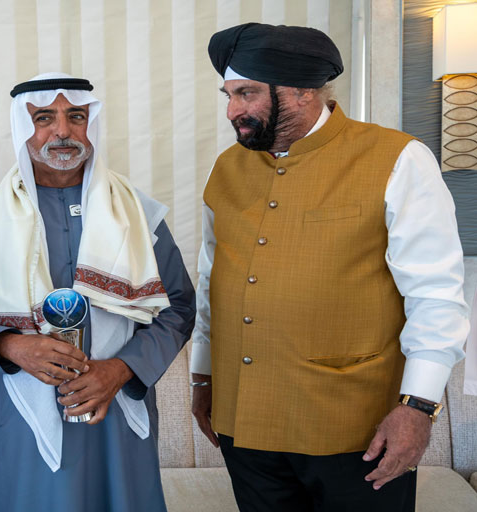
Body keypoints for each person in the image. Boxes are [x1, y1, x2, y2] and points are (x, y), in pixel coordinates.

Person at [191, 23, 470, 512]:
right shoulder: (227, 168)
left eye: (247, 93)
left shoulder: (398, 158)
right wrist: (202, 378)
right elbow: (211, 279)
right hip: (244, 422)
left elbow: (435, 295)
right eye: (229, 95)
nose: (233, 111)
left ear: (303, 90)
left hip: (357, 428)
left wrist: (418, 407)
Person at [0, 72, 196, 511]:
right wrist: (11, 346)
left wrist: (122, 369)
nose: (61, 131)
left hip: (114, 415)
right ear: (23, 127)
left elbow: (178, 308)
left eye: (76, 117)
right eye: (44, 118)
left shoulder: (138, 214)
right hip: (16, 418)